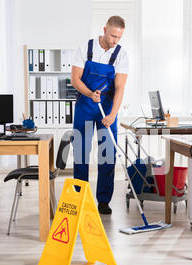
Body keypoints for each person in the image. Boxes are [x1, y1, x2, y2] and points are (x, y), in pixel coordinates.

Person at [71, 16, 129, 214]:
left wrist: (113, 114)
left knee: (107, 154)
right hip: (85, 104)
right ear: (105, 29)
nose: (114, 41)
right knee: (80, 152)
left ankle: (103, 201)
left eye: (118, 38)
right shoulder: (86, 47)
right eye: (112, 35)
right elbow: (75, 79)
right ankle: (80, 199)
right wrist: (89, 93)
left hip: (107, 105)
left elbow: (120, 88)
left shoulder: (121, 54)